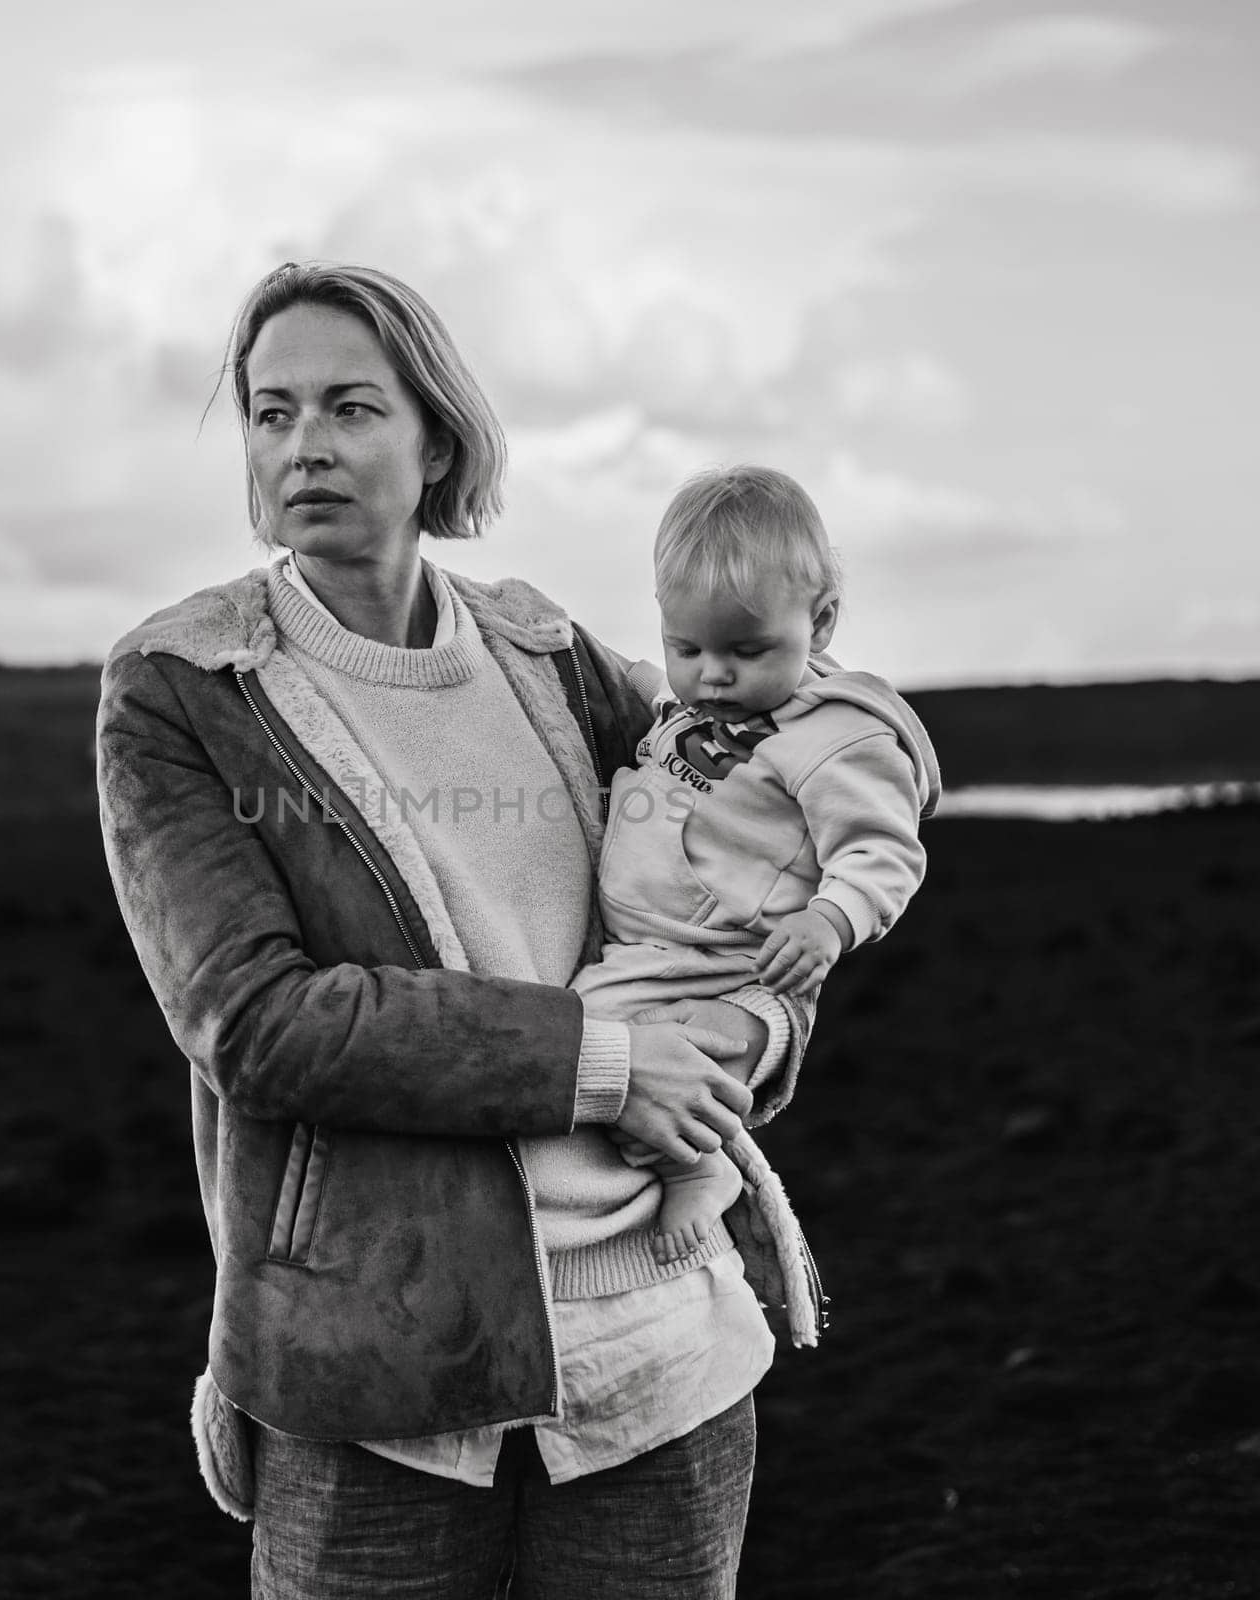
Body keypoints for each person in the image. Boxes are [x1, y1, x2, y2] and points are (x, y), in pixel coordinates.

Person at [95, 262, 823, 1599]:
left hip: (660, 1364)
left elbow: (755, 870)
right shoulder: (185, 692)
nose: (304, 443)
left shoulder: (554, 660)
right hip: (377, 1384)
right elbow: (255, 1024)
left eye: (351, 406)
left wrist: (740, 1042)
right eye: (270, 412)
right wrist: (605, 1062)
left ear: (437, 436)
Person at [572, 466, 942, 1265]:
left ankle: (699, 1167)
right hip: (651, 939)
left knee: (596, 1039)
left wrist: (830, 917)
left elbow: (882, 848)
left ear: (823, 620)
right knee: (588, 1036)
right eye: (687, 648)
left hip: (714, 958)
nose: (714, 675)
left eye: (748, 650)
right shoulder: (699, 707)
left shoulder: (840, 737)